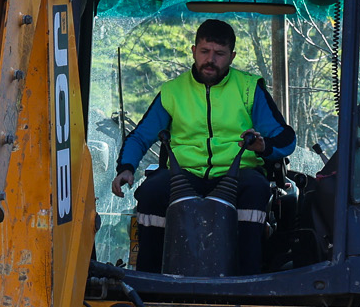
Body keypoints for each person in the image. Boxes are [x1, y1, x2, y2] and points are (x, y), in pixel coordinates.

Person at [110, 18, 296, 273]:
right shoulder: (172, 91)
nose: (211, 60)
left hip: (237, 173)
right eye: (205, 51)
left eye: (219, 54)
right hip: (184, 175)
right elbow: (141, 136)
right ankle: (150, 283)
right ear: (194, 51)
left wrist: (264, 147)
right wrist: (126, 168)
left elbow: (286, 139)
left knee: (256, 190)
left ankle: (247, 283)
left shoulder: (250, 88)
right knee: (151, 193)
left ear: (231, 56)